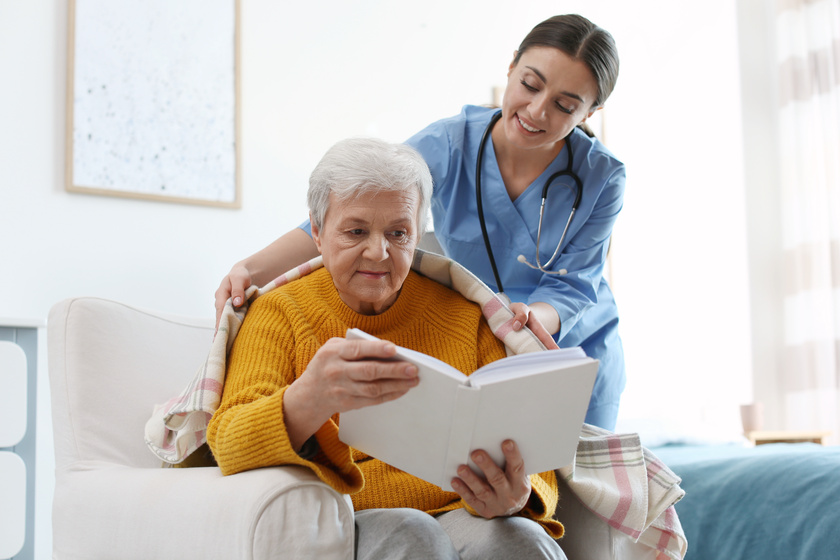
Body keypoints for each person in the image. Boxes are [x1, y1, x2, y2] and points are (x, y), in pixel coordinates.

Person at [214, 14, 626, 431]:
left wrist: (527, 317)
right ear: (512, 66)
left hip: (570, 340)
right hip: (485, 335)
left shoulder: (603, 177)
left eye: (565, 105)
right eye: (530, 84)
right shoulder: (450, 143)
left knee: (581, 478)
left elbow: (574, 283)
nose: (536, 111)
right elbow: (350, 210)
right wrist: (250, 269)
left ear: (593, 110)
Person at [207, 138, 566, 560]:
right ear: (318, 233)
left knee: (523, 541)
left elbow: (533, 451)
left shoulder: (468, 315)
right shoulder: (278, 312)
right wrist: (308, 397)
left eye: (398, 233)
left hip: (462, 510)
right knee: (412, 535)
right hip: (348, 514)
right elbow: (226, 441)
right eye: (356, 231)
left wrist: (518, 496)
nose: (379, 253)